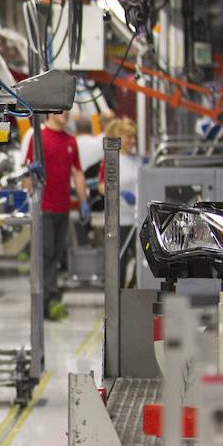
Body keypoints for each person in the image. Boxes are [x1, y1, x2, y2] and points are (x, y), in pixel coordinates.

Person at [25, 110, 88, 321]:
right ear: (49, 113)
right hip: (44, 208)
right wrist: (30, 201)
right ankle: (49, 301)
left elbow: (77, 172)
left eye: (67, 110)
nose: (66, 113)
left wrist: (83, 202)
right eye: (61, 110)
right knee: (46, 255)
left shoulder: (71, 141)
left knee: (56, 255)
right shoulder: (38, 139)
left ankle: (49, 299)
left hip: (63, 208)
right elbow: (28, 173)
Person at [98, 118, 142, 286]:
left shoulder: (136, 160)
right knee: (119, 263)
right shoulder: (111, 161)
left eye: (133, 137)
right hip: (119, 219)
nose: (132, 141)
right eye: (128, 137)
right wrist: (119, 193)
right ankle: (116, 300)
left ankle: (131, 292)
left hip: (137, 219)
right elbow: (102, 186)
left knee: (141, 260)